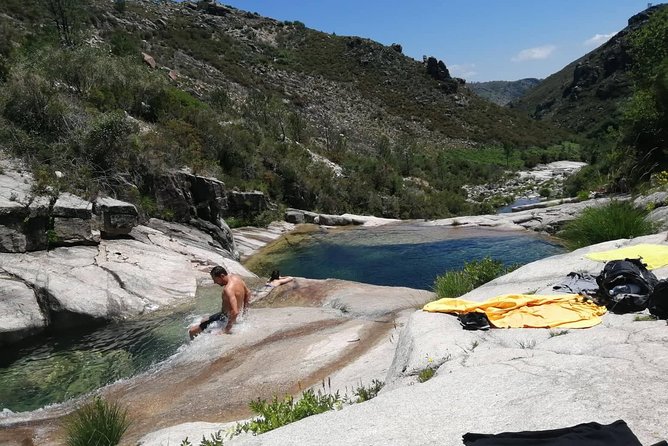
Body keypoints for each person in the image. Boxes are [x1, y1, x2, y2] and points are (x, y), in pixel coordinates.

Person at [188, 265, 251, 339]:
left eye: (215, 279)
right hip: (223, 315)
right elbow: (248, 293)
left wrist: (227, 329)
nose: (214, 282)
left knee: (192, 331)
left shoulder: (228, 290)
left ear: (222, 276)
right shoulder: (237, 278)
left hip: (224, 318)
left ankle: (194, 347)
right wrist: (244, 312)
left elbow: (235, 311)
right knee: (203, 321)